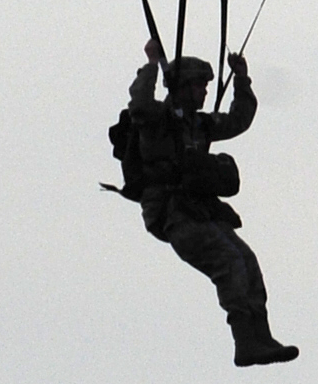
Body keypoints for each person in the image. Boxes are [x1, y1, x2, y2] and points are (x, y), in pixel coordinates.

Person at [112, 35, 299, 365]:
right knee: (229, 262)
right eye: (199, 86)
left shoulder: (199, 124)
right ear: (182, 87)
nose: (205, 92)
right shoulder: (157, 121)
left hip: (199, 211)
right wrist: (152, 64)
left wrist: (241, 78)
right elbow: (138, 104)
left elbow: (239, 119)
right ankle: (245, 342)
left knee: (247, 261)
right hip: (173, 214)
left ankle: (260, 336)